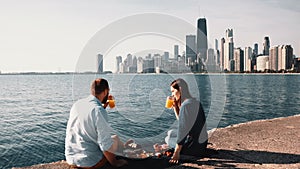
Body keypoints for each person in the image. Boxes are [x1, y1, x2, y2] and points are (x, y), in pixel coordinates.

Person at [65, 78, 128, 168]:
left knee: (112, 139)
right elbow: (105, 144)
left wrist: (103, 107)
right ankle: (127, 153)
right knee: (115, 139)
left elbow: (91, 116)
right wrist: (115, 163)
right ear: (106, 91)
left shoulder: (78, 104)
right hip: (88, 162)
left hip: (71, 159)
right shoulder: (98, 111)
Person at [168, 78, 208, 164]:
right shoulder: (194, 102)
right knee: (170, 133)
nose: (172, 94)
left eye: (173, 91)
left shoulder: (186, 106)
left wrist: (176, 153)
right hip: (202, 143)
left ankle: (177, 149)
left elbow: (183, 130)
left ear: (180, 90)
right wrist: (175, 107)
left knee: (168, 139)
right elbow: (182, 121)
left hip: (194, 147)